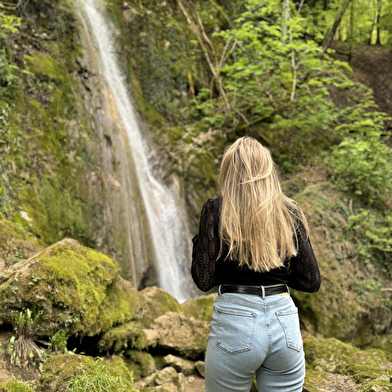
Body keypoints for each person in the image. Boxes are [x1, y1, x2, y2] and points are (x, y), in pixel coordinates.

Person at [191, 136, 321, 392]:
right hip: (284, 321)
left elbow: (203, 280)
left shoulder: (216, 210)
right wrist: (278, 276)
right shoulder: (289, 211)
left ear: (228, 172)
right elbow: (311, 280)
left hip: (235, 324)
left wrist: (204, 243)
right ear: (268, 170)